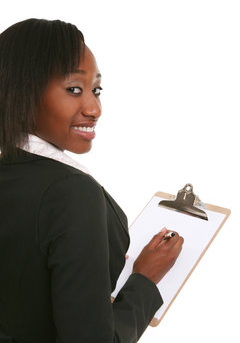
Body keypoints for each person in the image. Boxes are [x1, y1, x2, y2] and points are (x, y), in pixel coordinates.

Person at [0, 18, 184, 343]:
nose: (94, 107)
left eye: (96, 90)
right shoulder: (70, 192)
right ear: (23, 91)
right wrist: (144, 280)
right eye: (74, 89)